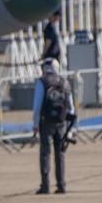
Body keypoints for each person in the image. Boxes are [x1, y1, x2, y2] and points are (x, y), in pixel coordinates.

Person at [33, 58, 74, 195]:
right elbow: (71, 107)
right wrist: (70, 128)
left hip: (46, 122)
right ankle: (61, 184)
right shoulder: (64, 82)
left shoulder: (42, 82)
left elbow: (37, 106)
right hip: (61, 122)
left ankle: (45, 185)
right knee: (60, 154)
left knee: (45, 153)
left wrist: (35, 124)